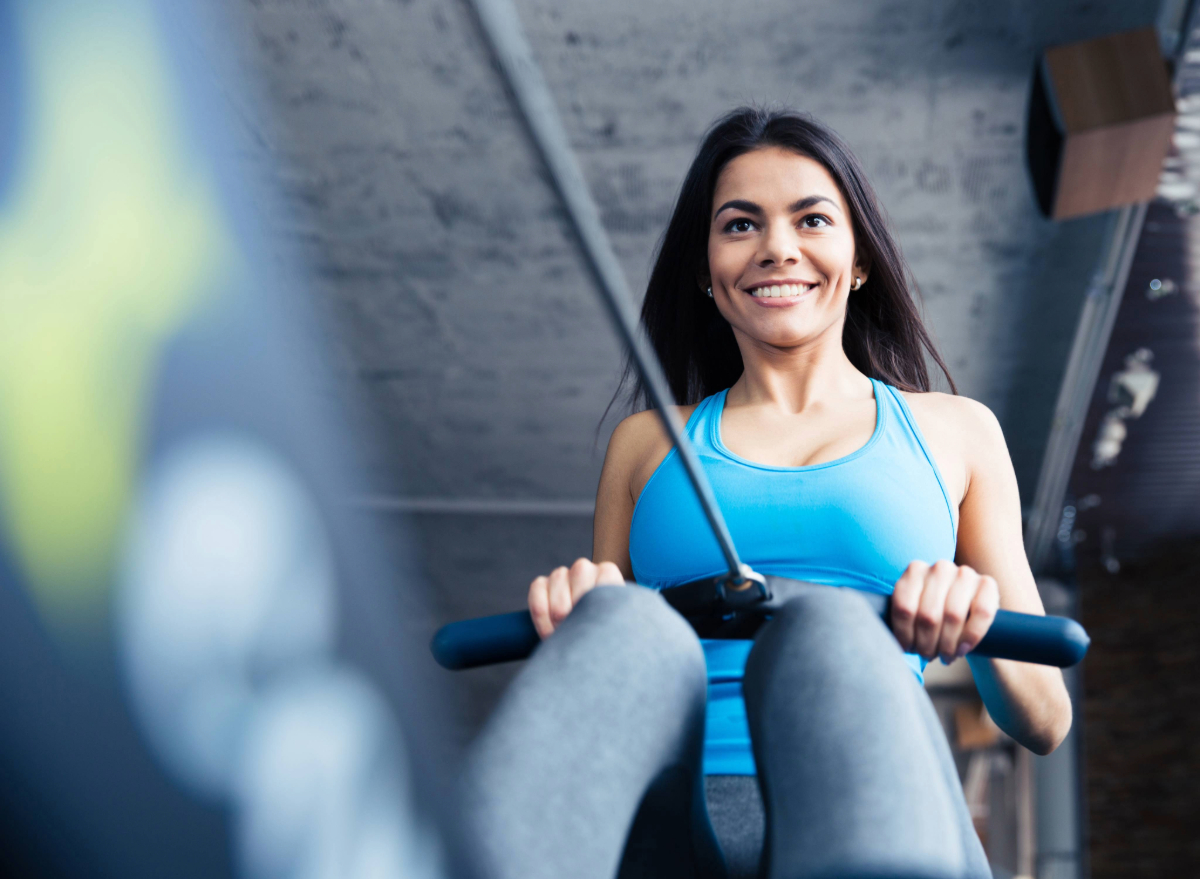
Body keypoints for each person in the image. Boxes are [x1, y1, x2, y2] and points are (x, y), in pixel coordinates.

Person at [461, 107, 1072, 879]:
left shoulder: (956, 432)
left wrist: (974, 617)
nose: (777, 247)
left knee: (831, 633)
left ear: (858, 260)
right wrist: (580, 609)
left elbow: (1045, 719)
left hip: (867, 788)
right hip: (681, 818)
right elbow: (616, 679)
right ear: (707, 272)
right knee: (622, 627)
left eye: (811, 218)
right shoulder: (646, 445)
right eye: (741, 225)